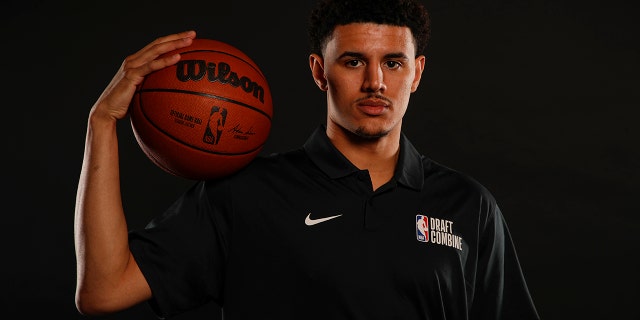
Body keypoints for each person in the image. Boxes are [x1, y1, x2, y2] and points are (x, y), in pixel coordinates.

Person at [74, 0, 540, 319]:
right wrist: (102, 123)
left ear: (416, 73)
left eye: (394, 63)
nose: (375, 81)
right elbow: (102, 291)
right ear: (320, 71)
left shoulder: (467, 206)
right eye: (354, 61)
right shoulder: (246, 194)